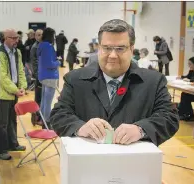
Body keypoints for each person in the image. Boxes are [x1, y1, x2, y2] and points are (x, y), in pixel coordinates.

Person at [50, 19, 179, 146]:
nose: (112, 55)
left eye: (120, 48)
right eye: (106, 48)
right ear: (99, 48)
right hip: (87, 162)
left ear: (131, 49)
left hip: (134, 163)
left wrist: (141, 129)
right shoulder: (75, 79)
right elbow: (59, 115)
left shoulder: (153, 82)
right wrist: (81, 127)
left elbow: (169, 118)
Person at [0, 29, 27, 160]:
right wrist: (15, 89)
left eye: (17, 37)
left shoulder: (17, 52)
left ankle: (13, 144)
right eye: (13, 38)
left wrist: (22, 86)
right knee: (2, 124)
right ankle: (2, 150)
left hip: (14, 92)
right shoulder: (0, 54)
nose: (17, 40)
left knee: (12, 121)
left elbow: (21, 71)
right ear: (5, 38)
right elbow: (2, 77)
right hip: (3, 95)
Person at [37, 27, 60, 129]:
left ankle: (42, 120)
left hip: (43, 76)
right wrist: (58, 61)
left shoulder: (41, 45)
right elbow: (50, 64)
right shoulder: (49, 47)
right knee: (48, 102)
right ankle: (47, 122)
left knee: (44, 101)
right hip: (50, 76)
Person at [30, 29, 43, 125]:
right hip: (39, 76)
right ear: (35, 36)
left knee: (41, 98)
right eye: (38, 35)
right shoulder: (35, 47)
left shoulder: (42, 45)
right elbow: (34, 63)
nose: (40, 36)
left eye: (41, 35)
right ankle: (36, 118)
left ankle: (38, 117)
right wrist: (38, 76)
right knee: (38, 98)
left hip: (43, 75)